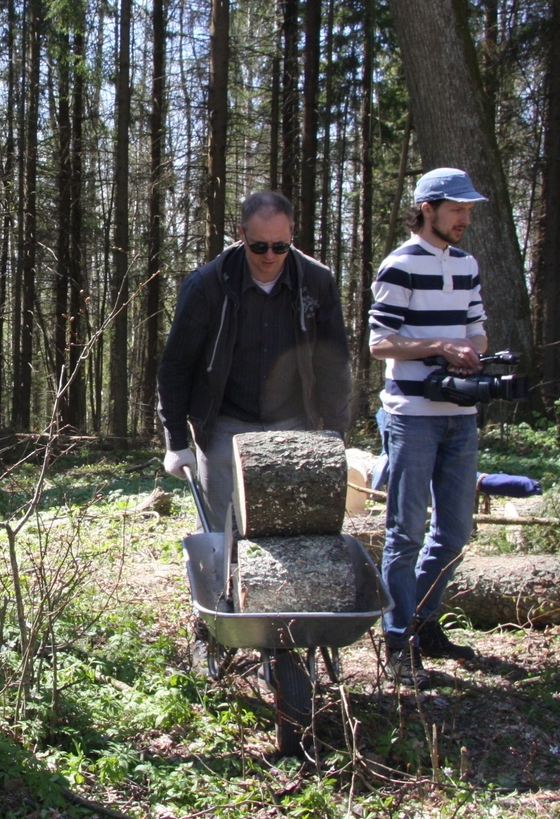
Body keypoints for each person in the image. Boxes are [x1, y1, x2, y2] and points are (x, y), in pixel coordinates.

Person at [158, 191, 351, 524]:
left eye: (280, 246)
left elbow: (334, 363)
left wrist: (335, 433)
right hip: (222, 426)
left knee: (288, 528)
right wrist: (175, 441)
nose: (270, 255)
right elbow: (175, 367)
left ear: (292, 233)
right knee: (222, 532)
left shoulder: (316, 282)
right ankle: (226, 577)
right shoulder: (207, 286)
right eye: (259, 246)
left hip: (293, 426)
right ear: (241, 233)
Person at [369, 167, 489, 687]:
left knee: (455, 533)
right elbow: (379, 342)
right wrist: (439, 347)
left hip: (461, 417)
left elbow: (477, 334)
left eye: (468, 210)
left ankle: (424, 621)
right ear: (428, 208)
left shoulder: (466, 264)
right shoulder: (399, 265)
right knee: (404, 532)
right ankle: (396, 641)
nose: (465, 218)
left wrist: (469, 353)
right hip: (410, 417)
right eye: (456, 209)